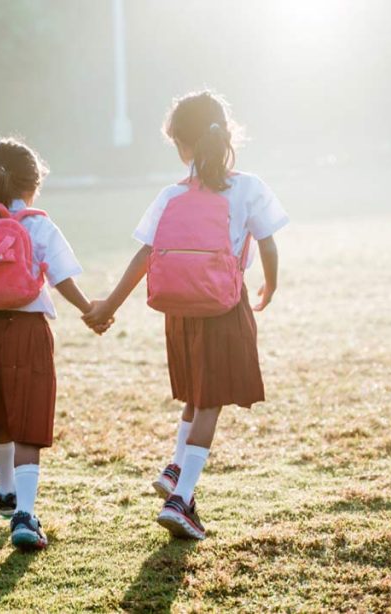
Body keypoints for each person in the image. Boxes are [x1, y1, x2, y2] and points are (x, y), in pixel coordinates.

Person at [84, 91, 289, 540]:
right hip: (222, 307)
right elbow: (269, 242)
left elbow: (145, 255)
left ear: (180, 144)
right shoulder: (248, 187)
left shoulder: (170, 195)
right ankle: (181, 498)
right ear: (225, 135)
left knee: (195, 396)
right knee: (210, 401)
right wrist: (270, 285)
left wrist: (107, 306)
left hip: (179, 312)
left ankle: (176, 469)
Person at [0, 137, 108, 551]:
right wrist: (91, 311)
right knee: (28, 423)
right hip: (27, 333)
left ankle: (5, 490)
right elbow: (62, 278)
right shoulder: (38, 225)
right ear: (32, 185)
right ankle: (26, 516)